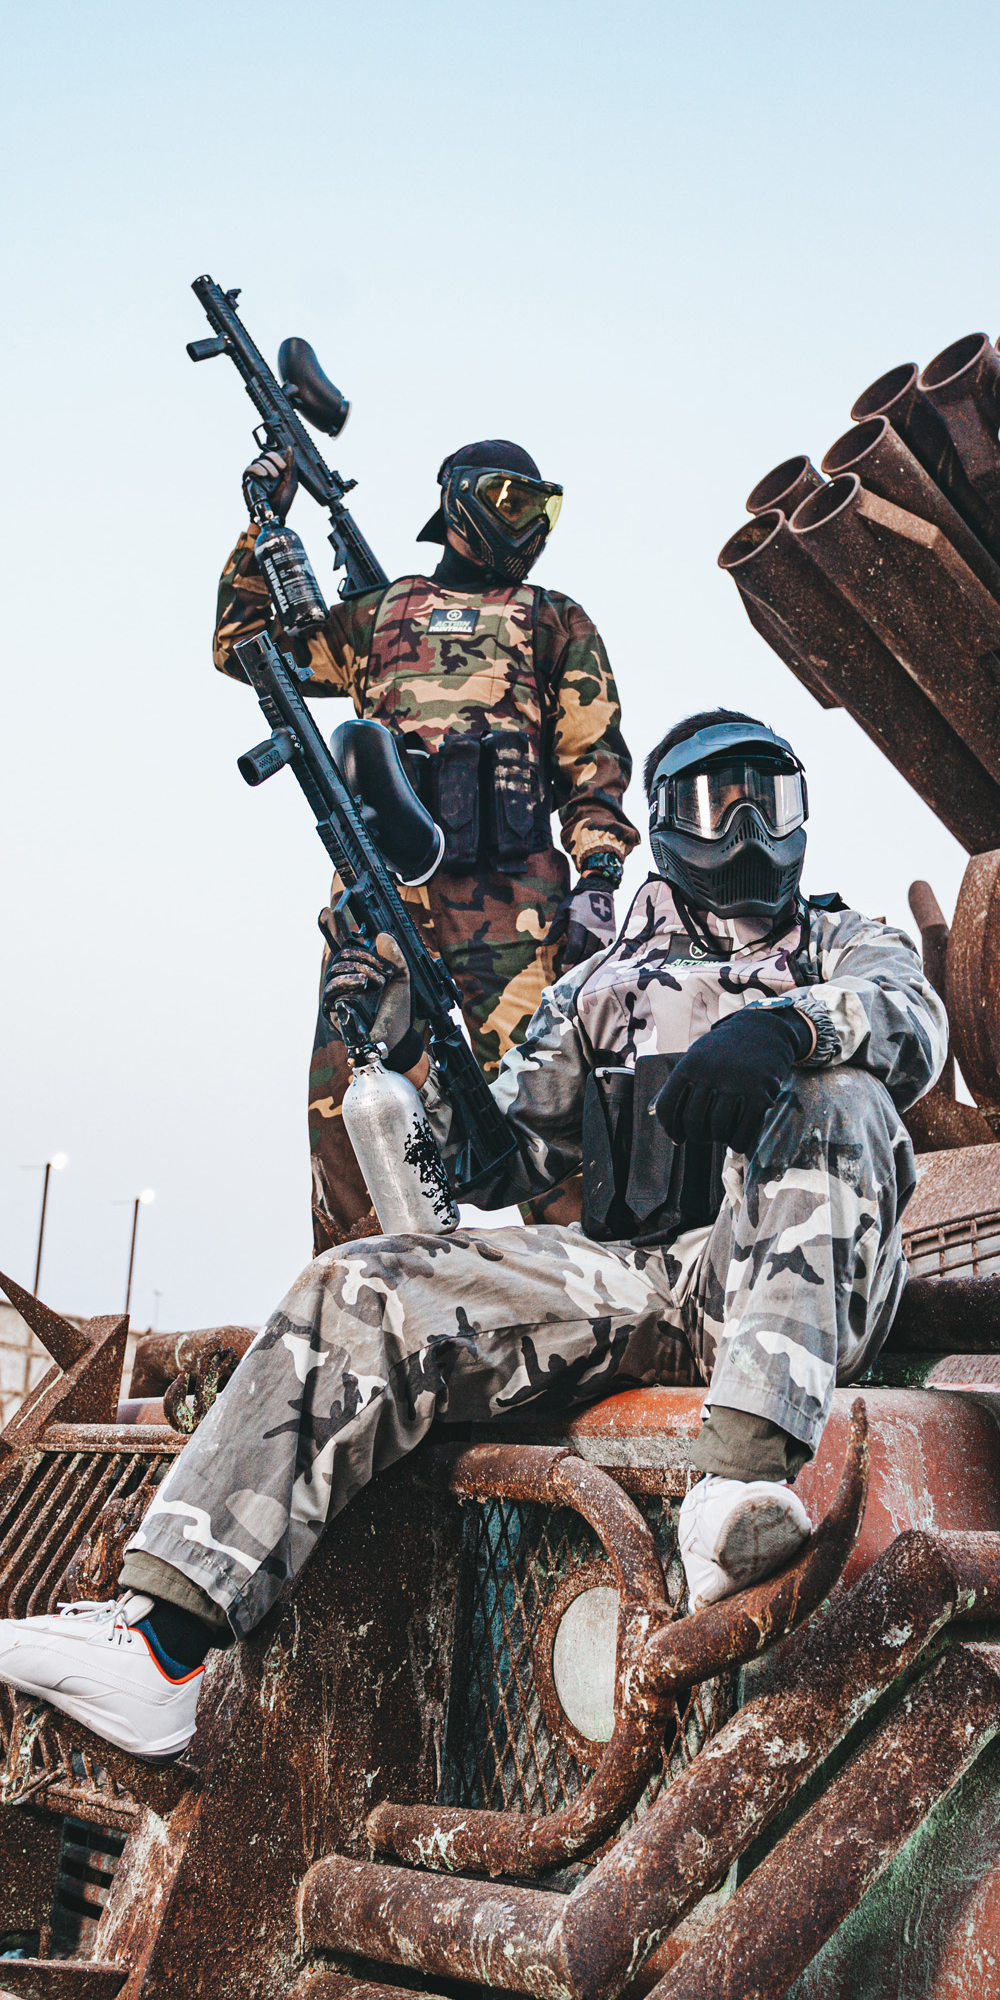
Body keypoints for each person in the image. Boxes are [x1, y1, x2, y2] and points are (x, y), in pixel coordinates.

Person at [0, 709, 946, 1757]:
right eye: (716, 805)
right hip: (646, 1282)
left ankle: (737, 1483)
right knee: (359, 1287)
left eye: (770, 803)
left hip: (796, 1294)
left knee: (840, 1097)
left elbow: (914, 1023)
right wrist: (403, 1051)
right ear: (668, 822)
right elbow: (490, 1163)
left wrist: (792, 1025)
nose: (748, 832)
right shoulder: (601, 991)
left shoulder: (843, 944)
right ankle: (160, 1644)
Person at [214, 438, 639, 1247]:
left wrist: (598, 877)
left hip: (517, 915)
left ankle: (595, 1307)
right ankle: (361, 1303)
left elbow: (594, 758)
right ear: (458, 499)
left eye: (540, 506)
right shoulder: (377, 616)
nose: (528, 523)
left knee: (556, 1119)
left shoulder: (553, 618)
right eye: (510, 500)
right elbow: (246, 649)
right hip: (383, 910)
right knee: (357, 1113)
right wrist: (264, 523)